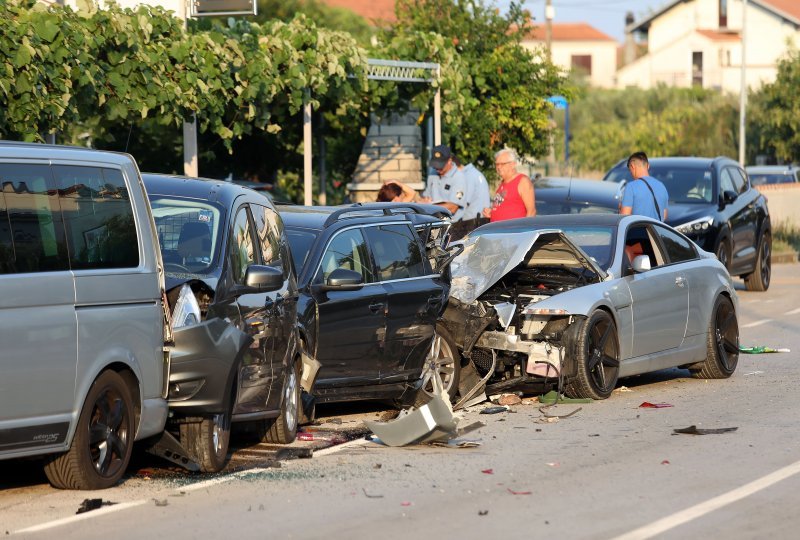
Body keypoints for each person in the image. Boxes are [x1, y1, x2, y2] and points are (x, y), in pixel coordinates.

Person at [483, 148, 536, 222]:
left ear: (513, 164)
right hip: (498, 231)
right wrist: (491, 213)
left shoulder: (522, 181)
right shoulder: (502, 183)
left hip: (514, 232)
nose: (499, 167)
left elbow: (531, 212)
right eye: (497, 164)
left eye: (502, 164)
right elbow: (504, 208)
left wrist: (523, 232)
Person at [620, 151, 669, 221]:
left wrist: (621, 209)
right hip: (656, 231)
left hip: (638, 231)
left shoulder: (631, 187)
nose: (631, 174)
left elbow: (624, 217)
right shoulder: (662, 186)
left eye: (630, 170)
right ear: (648, 166)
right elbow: (664, 215)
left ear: (632, 166)